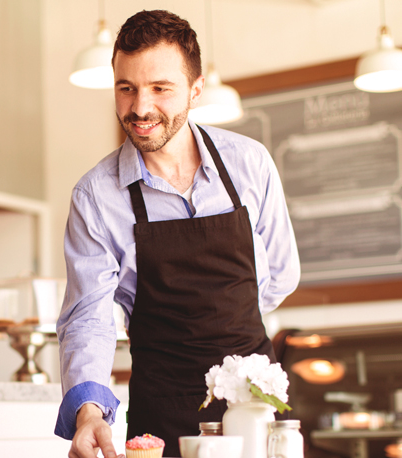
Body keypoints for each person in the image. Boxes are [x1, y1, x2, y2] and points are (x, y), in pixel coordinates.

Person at [54, 9, 301, 458]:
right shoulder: (95, 196)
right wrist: (88, 410)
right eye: (126, 89)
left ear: (196, 89)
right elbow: (88, 318)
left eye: (160, 89)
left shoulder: (250, 163)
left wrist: (225, 336)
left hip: (256, 409)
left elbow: (281, 274)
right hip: (160, 417)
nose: (140, 107)